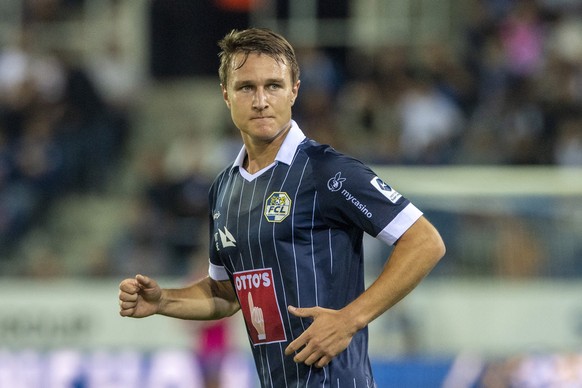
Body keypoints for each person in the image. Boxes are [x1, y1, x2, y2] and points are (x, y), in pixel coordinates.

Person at [119, 27, 446, 387]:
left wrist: (350, 319)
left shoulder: (326, 170)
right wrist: (163, 300)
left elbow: (425, 241)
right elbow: (227, 294)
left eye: (273, 85)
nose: (261, 100)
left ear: (294, 90)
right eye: (246, 87)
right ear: (226, 96)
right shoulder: (224, 189)